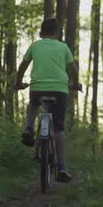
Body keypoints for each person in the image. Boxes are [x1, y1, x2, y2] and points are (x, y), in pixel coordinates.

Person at [14, 18, 81, 182]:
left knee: (33, 104)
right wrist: (75, 83)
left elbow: (23, 65)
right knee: (59, 129)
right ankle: (62, 167)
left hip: (38, 88)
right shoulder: (63, 47)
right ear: (57, 33)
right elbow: (72, 68)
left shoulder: (35, 45)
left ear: (41, 32)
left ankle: (29, 128)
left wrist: (18, 82)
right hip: (59, 90)